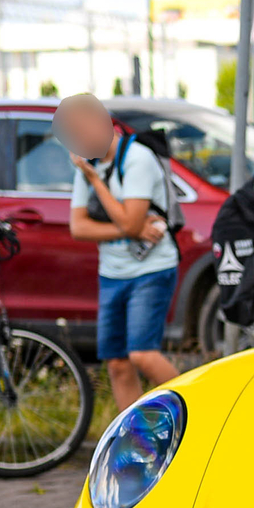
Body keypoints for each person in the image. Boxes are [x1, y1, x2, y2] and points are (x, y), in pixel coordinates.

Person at [58, 92, 179, 409]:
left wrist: (94, 180)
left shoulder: (137, 158)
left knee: (142, 354)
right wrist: (132, 228)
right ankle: (140, 441)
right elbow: (78, 227)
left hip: (150, 270)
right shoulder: (87, 163)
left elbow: (129, 222)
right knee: (117, 363)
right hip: (112, 273)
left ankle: (204, 412)